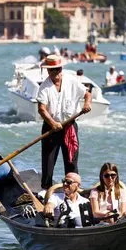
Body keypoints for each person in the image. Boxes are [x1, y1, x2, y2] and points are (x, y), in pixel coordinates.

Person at [37, 55, 92, 189]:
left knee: (71, 161)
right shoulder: (44, 87)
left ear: (61, 69)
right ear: (48, 71)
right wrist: (53, 123)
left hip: (70, 126)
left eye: (58, 69)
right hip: (51, 128)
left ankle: (74, 189)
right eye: (53, 70)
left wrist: (87, 104)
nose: (56, 72)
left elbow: (87, 94)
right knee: (49, 162)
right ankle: (46, 190)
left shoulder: (71, 81)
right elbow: (42, 110)